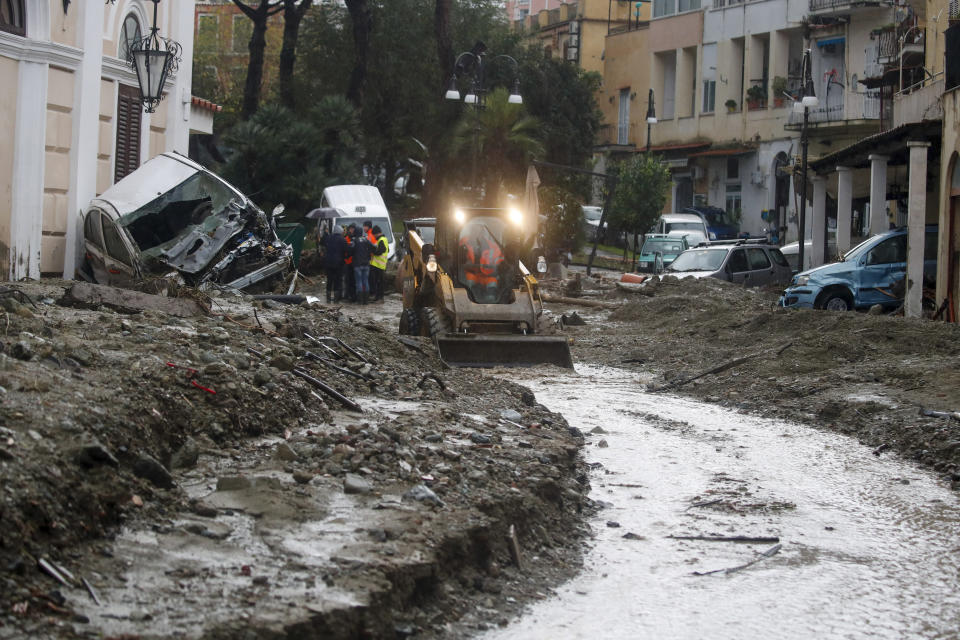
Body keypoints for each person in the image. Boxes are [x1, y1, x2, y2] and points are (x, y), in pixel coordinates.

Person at [349, 224, 374, 304]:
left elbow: (351, 251)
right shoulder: (366, 239)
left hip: (357, 264)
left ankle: (360, 301)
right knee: (365, 281)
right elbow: (373, 247)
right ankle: (366, 301)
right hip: (366, 264)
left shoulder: (354, 240)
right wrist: (368, 253)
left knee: (359, 282)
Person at [322, 224, 347, 302]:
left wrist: (325, 233)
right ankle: (336, 300)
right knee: (337, 281)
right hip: (339, 264)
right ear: (340, 231)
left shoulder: (328, 238)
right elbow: (347, 250)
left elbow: (322, 243)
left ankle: (328, 299)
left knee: (329, 280)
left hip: (328, 263)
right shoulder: (342, 239)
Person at [369, 225, 389, 301]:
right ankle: (380, 297)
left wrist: (372, 251)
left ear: (377, 233)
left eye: (374, 235)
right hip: (382, 265)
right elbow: (387, 250)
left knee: (378, 282)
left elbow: (380, 251)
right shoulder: (385, 239)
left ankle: (378, 298)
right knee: (380, 282)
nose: (374, 236)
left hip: (378, 265)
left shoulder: (381, 240)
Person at [343, 223, 357, 302]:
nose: (352, 230)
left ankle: (353, 295)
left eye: (353, 228)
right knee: (347, 280)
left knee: (353, 280)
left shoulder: (355, 238)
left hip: (354, 263)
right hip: (347, 262)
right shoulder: (346, 238)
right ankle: (347, 295)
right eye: (351, 228)